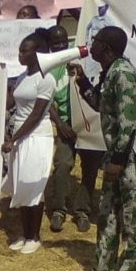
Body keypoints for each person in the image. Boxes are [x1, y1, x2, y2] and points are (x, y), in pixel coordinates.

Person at [70, 26, 136, 271]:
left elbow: (130, 119)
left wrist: (119, 160)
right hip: (115, 155)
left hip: (128, 158)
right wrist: (84, 83)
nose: (91, 46)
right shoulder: (110, 72)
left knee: (132, 219)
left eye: (95, 42)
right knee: (108, 214)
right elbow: (101, 105)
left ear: (106, 48)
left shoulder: (124, 73)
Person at [2, 29, 56, 254]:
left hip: (37, 136)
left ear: (38, 54)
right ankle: (24, 234)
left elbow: (36, 115)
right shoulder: (23, 77)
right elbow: (9, 103)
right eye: (19, 50)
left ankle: (34, 236)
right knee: (22, 185)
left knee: (34, 185)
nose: (20, 55)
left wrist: (14, 138)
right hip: (21, 136)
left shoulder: (46, 79)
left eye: (24, 51)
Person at [46, 26, 90, 233]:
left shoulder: (82, 61)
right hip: (66, 127)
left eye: (63, 42)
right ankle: (59, 210)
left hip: (89, 126)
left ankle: (82, 210)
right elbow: (47, 101)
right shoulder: (48, 69)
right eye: (55, 43)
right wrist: (60, 125)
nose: (60, 46)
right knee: (62, 165)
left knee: (90, 169)